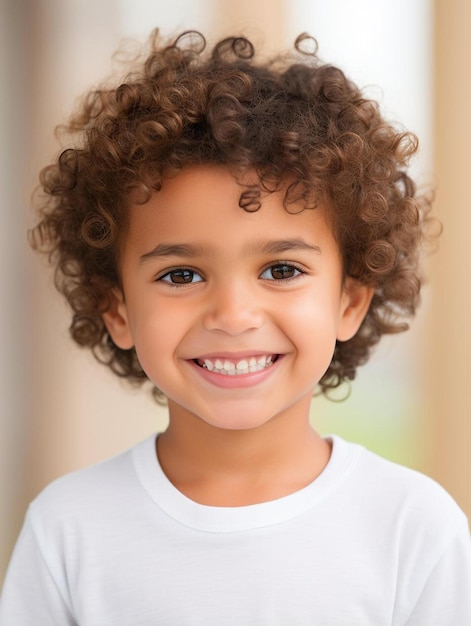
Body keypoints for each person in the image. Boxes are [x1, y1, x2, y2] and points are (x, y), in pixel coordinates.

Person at [0, 29, 470, 625]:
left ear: (349, 302)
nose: (233, 316)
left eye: (281, 269)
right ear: (116, 309)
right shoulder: (67, 530)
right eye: (180, 275)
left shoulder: (413, 529)